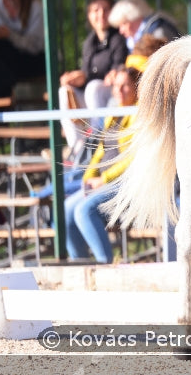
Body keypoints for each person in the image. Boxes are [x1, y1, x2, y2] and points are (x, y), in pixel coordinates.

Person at [63, 65, 141, 263]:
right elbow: (100, 151)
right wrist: (89, 177)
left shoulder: (139, 115)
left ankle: (105, 265)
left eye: (125, 86)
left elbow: (133, 159)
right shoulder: (114, 113)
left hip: (125, 184)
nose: (119, 91)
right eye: (116, 86)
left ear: (136, 88)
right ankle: (81, 264)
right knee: (66, 208)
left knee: (84, 210)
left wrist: (103, 179)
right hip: (105, 183)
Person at [58, 0, 128, 151]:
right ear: (89, 15)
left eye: (105, 9)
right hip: (91, 98)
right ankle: (77, 149)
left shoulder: (118, 37)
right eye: (96, 10)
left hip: (111, 95)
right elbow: (87, 74)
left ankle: (95, 145)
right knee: (64, 92)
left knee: (94, 88)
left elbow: (119, 66)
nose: (101, 14)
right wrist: (75, 78)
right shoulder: (89, 42)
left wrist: (113, 73)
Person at [107, 0, 180, 52]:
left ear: (133, 18)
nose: (121, 31)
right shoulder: (133, 39)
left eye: (123, 24)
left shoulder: (159, 32)